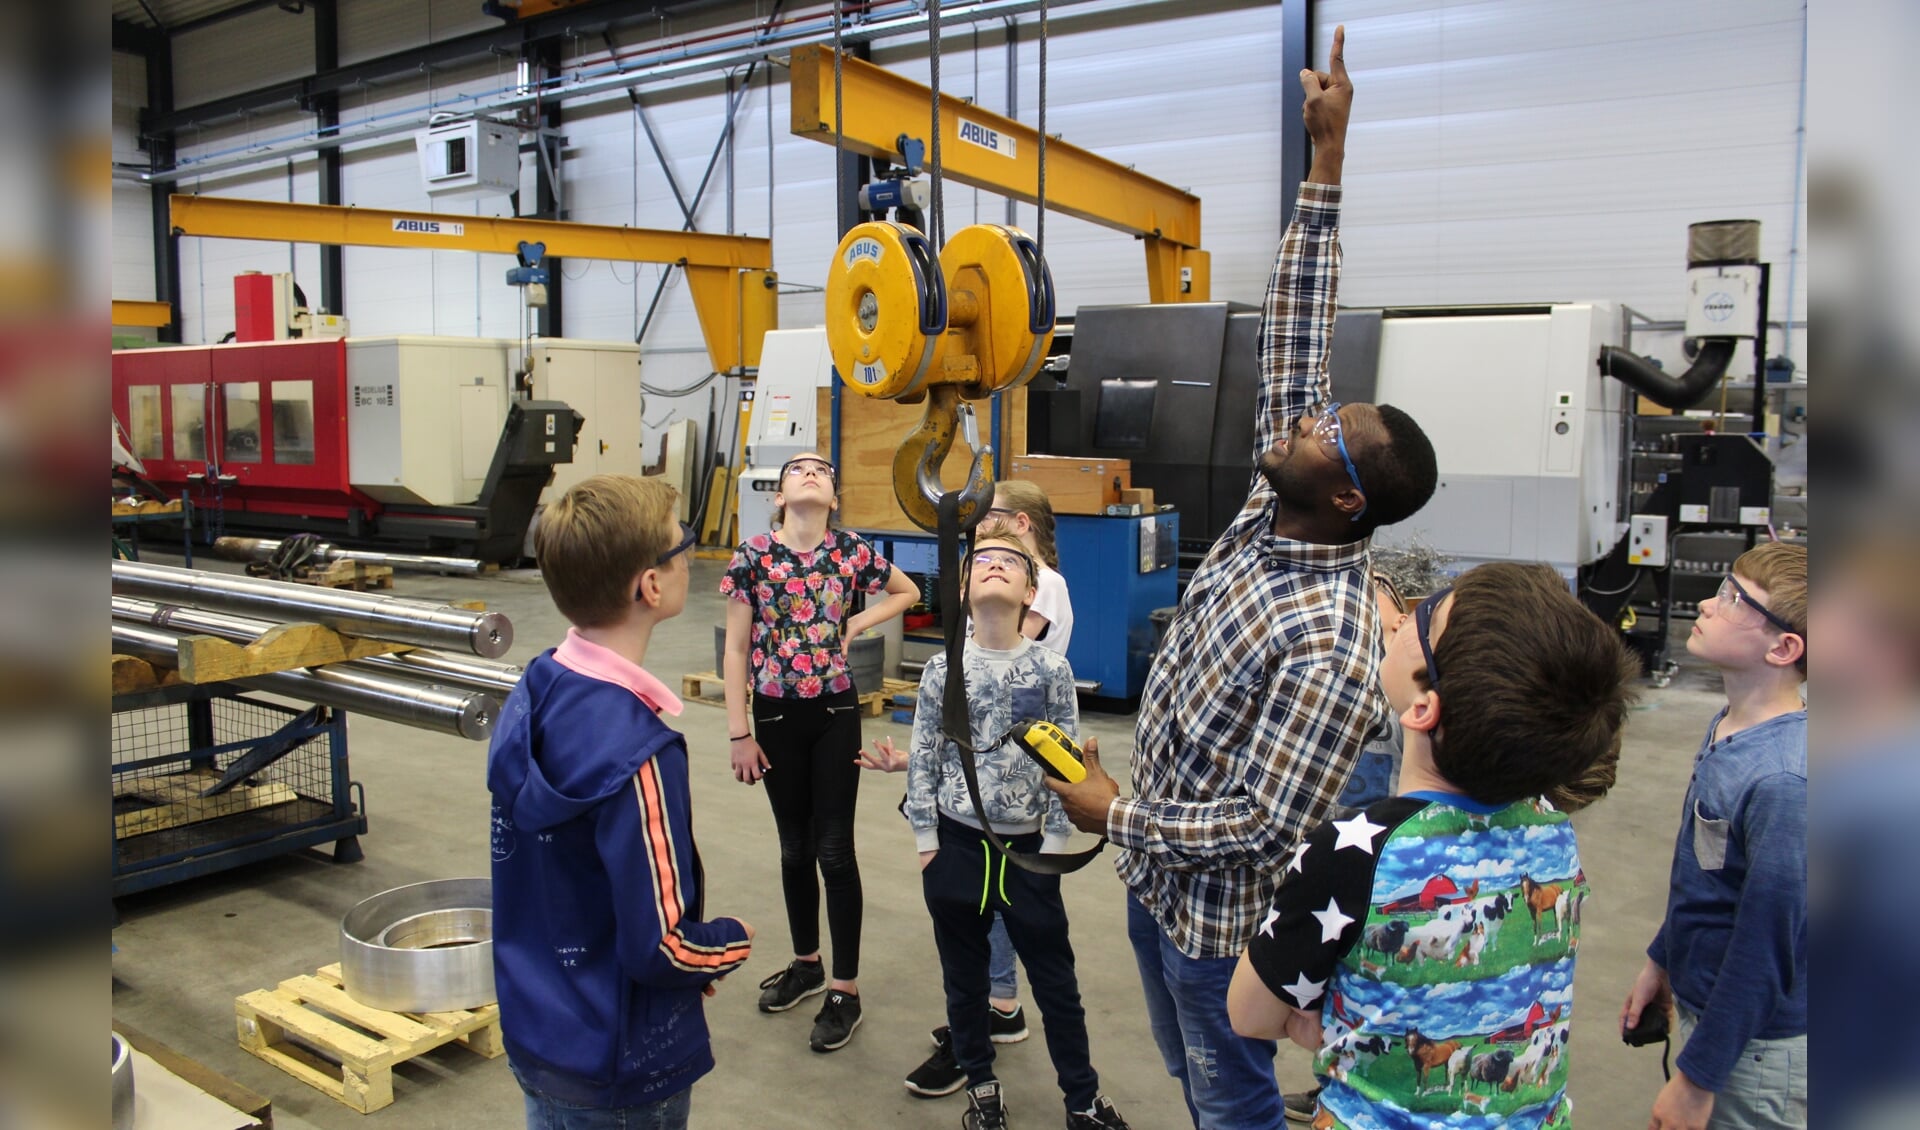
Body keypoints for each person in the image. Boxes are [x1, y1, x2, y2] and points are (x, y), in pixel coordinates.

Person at [1048, 27, 1440, 1129]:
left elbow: (1264, 826)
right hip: (1157, 881)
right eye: (1319, 409)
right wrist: (1326, 168)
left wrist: (1114, 810)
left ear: (1351, 495)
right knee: (1191, 1071)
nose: (1307, 414)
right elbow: (1294, 340)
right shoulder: (1281, 505)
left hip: (1219, 917)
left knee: (1232, 1096)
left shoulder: (1333, 639)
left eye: (1329, 427)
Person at [1225, 562, 1636, 1127]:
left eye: (1429, 614)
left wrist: (1320, 1025)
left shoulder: (1353, 850)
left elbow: (1249, 1013)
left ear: (1424, 707)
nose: (1408, 615)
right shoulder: (1550, 827)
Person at [488, 474, 754, 1130]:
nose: (690, 552)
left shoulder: (539, 685)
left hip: (540, 1030)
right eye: (681, 545)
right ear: (652, 585)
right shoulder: (641, 753)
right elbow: (661, 947)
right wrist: (723, 946)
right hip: (622, 1067)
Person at [879, 534, 1129, 1130]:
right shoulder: (943, 668)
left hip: (1029, 854)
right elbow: (925, 756)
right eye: (982, 561)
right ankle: (982, 1087)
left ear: (1031, 592)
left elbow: (1070, 765)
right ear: (963, 589)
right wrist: (926, 843)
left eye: (1010, 561)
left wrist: (1057, 844)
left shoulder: (1052, 669)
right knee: (963, 981)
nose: (994, 565)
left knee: (1056, 983)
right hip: (956, 846)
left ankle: (1083, 1101)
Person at [860, 479, 1072, 1097]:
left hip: (1015, 802)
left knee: (999, 922)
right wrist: (921, 767)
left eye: (991, 521)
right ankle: (990, 1019)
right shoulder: (1003, 596)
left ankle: (988, 1023)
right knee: (980, 924)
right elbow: (977, 704)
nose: (979, 528)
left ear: (1022, 527)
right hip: (979, 788)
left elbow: (997, 676)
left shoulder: (1038, 588)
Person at [719, 452, 919, 1052]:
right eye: (796, 469)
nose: (810, 473)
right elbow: (734, 652)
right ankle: (807, 962)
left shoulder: (848, 550)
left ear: (833, 498)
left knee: (834, 850)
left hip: (834, 713)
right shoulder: (752, 557)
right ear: (778, 496)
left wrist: (859, 624)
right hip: (775, 715)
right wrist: (737, 731)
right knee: (792, 847)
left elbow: (905, 590)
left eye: (823, 471)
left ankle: (845, 989)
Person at [1622, 541, 1807, 1130]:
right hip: (1716, 1018)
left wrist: (1699, 1079)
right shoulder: (1731, 728)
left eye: (1733, 599)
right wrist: (1664, 958)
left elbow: (1768, 943)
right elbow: (1711, 874)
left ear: (1783, 648)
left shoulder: (1784, 779)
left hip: (1754, 1052)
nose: (1706, 603)